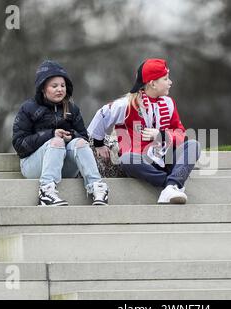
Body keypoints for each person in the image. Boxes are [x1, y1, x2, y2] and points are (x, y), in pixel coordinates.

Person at [88, 58, 200, 204]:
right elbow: (102, 115)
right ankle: (171, 183)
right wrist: (98, 143)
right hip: (140, 161)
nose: (170, 82)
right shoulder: (126, 104)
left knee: (194, 144)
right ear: (152, 83)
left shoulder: (169, 103)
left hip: (165, 157)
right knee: (127, 159)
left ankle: (171, 186)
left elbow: (180, 133)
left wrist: (162, 135)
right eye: (166, 79)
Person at [12, 60, 109, 206]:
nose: (60, 89)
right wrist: (51, 134)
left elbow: (83, 137)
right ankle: (45, 192)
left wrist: (71, 136)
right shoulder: (28, 108)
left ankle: (97, 187)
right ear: (43, 89)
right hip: (33, 165)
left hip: (64, 166)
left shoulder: (72, 109)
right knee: (56, 141)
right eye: (54, 86)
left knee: (81, 142)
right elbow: (20, 145)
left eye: (63, 86)